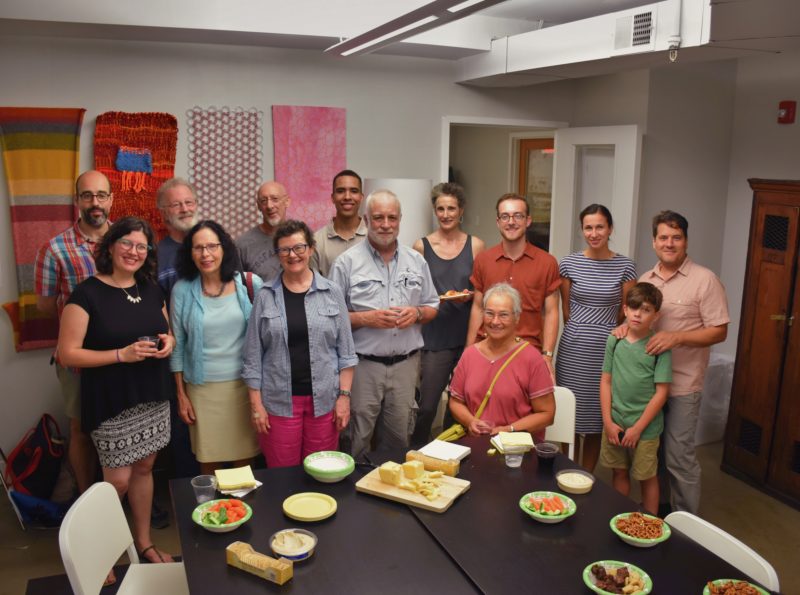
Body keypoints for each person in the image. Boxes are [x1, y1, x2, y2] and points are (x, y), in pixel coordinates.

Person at [57, 217, 176, 583]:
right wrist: (120, 355)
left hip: (150, 394)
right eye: (127, 243)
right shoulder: (87, 294)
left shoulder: (150, 288)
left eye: (142, 247)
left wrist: (169, 342)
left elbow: (165, 331)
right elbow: (67, 354)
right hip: (113, 400)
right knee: (117, 482)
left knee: (144, 470)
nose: (134, 252)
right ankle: (101, 551)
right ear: (110, 246)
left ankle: (143, 542)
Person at [330, 189, 439, 459]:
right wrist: (365, 319)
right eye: (378, 218)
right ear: (366, 219)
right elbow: (329, 319)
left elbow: (433, 306)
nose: (386, 224)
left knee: (399, 440)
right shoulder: (347, 263)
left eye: (392, 217)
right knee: (357, 439)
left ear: (400, 219)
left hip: (406, 366)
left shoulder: (417, 261)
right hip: (363, 367)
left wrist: (416, 313)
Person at [636, 210, 729, 514]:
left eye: (676, 237)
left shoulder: (705, 280)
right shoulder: (646, 280)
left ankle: (689, 528)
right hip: (648, 385)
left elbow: (720, 331)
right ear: (654, 242)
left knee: (679, 456)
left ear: (686, 241)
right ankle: (662, 512)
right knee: (654, 452)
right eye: (663, 237)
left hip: (682, 385)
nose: (670, 243)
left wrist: (677, 337)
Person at [243, 220, 357, 467]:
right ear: (277, 255)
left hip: (325, 402)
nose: (292, 255)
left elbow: (346, 353)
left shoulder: (332, 292)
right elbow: (252, 357)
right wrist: (256, 406)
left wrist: (344, 398)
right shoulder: (265, 296)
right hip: (279, 404)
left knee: (320, 470)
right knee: (283, 474)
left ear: (311, 248)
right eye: (284, 250)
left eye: (299, 248)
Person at [34, 170, 113, 495]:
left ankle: (121, 497)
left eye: (101, 195)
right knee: (81, 428)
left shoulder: (129, 242)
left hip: (126, 356)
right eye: (87, 195)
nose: (95, 202)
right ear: (77, 200)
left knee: (120, 427)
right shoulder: (55, 249)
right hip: (77, 360)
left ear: (111, 199)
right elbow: (44, 306)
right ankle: (87, 499)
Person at [170, 220, 262, 474]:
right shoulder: (182, 290)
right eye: (198, 248)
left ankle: (246, 513)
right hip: (201, 390)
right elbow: (177, 346)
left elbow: (266, 340)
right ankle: (213, 513)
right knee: (207, 462)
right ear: (190, 253)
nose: (206, 254)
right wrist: (181, 394)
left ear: (225, 248)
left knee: (244, 464)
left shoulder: (250, 285)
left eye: (212, 246)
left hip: (244, 388)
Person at [555, 204, 637, 472]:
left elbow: (624, 312)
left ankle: (584, 474)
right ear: (582, 230)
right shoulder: (568, 264)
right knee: (568, 413)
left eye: (599, 226)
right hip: (573, 346)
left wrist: (605, 334)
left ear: (610, 228)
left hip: (606, 348)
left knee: (594, 417)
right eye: (588, 227)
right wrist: (582, 328)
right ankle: (565, 470)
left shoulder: (625, 266)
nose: (594, 233)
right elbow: (566, 310)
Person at [411, 182, 485, 446]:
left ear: (461, 210)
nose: (446, 214)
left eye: (451, 208)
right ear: (434, 210)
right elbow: (413, 292)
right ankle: (416, 452)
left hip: (468, 335)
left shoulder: (475, 245)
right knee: (427, 406)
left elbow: (483, 289)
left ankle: (450, 455)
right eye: (440, 208)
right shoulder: (420, 246)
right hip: (434, 337)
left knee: (460, 406)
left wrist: (471, 294)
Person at [467, 193, 560, 378]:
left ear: (528, 221)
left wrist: (547, 356)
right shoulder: (483, 260)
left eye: (518, 216)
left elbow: (551, 312)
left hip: (527, 352)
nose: (511, 221)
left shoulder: (547, 262)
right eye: (505, 216)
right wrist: (469, 352)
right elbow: (477, 308)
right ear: (498, 221)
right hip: (486, 350)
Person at [600, 282, 671, 515]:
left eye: (646, 309)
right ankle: (620, 518)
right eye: (633, 308)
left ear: (656, 315)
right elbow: (606, 381)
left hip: (646, 428)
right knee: (619, 471)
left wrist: (639, 428)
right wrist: (608, 422)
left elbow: (661, 392)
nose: (638, 314)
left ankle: (650, 523)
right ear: (625, 309)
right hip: (616, 421)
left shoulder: (659, 347)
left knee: (646, 476)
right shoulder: (615, 340)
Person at [449, 283, 555, 439]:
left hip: (517, 451)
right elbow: (456, 402)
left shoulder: (531, 359)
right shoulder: (470, 355)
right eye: (489, 313)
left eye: (503, 315)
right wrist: (470, 421)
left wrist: (509, 429)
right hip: (475, 445)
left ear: (517, 317)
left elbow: (547, 414)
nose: (495, 321)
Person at [311, 169, 367, 277]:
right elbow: (313, 287)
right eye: (341, 191)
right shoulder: (316, 241)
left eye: (354, 191)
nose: (347, 197)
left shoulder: (373, 237)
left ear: (361, 198)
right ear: (333, 198)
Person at [156, 177, 200, 300]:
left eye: (189, 202)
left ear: (196, 205)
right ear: (164, 213)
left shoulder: (217, 244)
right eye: (176, 205)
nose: (185, 209)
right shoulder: (156, 256)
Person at [236, 180, 291, 281]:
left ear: (287, 202)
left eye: (275, 199)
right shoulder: (242, 245)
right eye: (263, 201)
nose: (269, 206)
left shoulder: (300, 238)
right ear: (258, 206)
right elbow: (237, 287)